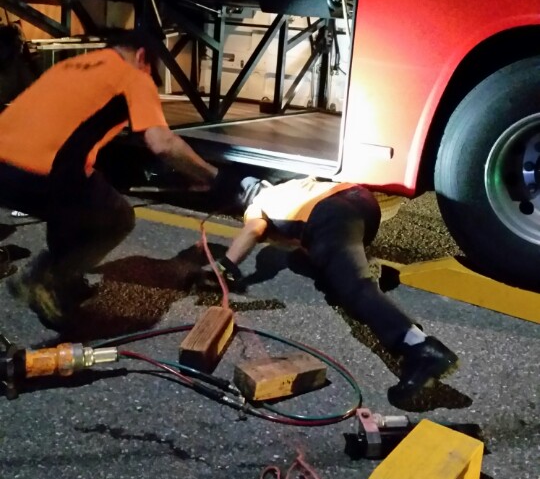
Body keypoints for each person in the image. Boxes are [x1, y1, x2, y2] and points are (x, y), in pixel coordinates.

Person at [0, 28, 221, 329]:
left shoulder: (70, 66)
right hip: (41, 172)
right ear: (142, 56)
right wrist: (213, 176)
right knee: (117, 217)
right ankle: (46, 279)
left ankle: (67, 283)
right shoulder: (133, 75)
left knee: (73, 204)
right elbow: (163, 144)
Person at [199, 176, 459, 407]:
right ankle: (356, 280)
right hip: (361, 202)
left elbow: (253, 230)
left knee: (355, 288)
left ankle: (420, 348)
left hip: (328, 215)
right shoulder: (290, 186)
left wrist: (223, 267)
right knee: (331, 268)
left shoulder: (258, 204)